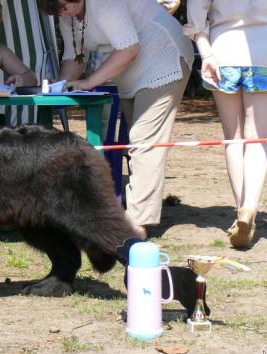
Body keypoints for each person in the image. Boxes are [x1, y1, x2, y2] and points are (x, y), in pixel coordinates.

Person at [38, 0, 194, 239]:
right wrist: (60, 87)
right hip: (131, 75)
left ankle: (137, 223)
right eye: (54, 10)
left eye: (62, 6)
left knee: (144, 140)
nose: (61, 13)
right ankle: (134, 210)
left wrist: (90, 82)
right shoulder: (66, 14)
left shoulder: (104, 3)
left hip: (164, 60)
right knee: (137, 144)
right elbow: (75, 57)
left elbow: (129, 48)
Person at [185, 0, 267, 248]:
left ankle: (241, 215)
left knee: (233, 138)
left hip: (223, 54)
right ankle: (249, 208)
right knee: (258, 137)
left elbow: (196, 18)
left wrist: (207, 55)